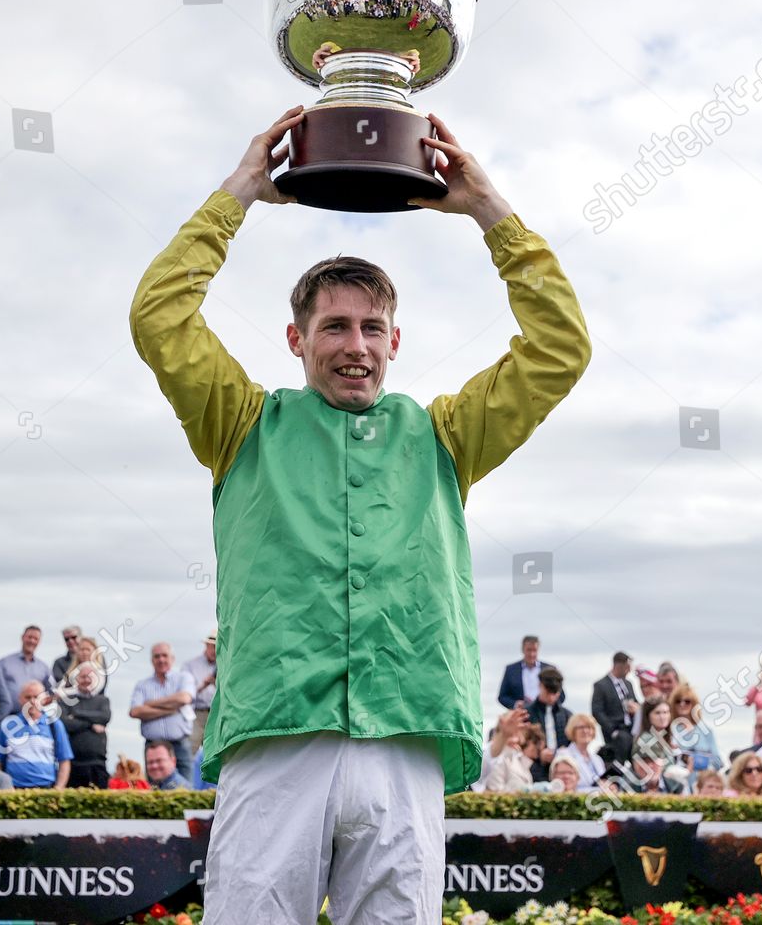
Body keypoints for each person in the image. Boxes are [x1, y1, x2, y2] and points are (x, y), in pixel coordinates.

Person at [130, 106, 590, 924]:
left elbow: (560, 346)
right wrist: (238, 193)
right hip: (278, 739)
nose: (356, 344)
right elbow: (159, 318)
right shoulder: (240, 423)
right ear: (296, 339)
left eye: (372, 327)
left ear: (396, 340)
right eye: (334, 326)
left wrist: (490, 211)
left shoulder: (445, 434)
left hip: (405, 739)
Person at [128, 642, 197, 780]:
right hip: (152, 746)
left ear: (172, 658)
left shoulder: (184, 678)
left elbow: (184, 698)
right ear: (152, 660)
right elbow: (135, 712)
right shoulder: (142, 685)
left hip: (180, 745)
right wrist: (171, 709)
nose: (161, 660)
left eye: (164, 655)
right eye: (157, 656)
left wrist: (150, 704)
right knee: (156, 791)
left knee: (187, 788)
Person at [0, 681, 72, 789]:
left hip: (46, 789)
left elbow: (64, 760)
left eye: (36, 697)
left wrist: (59, 788)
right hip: (14, 790)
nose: (32, 701)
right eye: (28, 697)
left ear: (45, 699)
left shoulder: (55, 725)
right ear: (20, 699)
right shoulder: (8, 725)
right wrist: (3, 788)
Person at [60, 664, 112, 787]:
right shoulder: (67, 700)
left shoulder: (103, 700)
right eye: (83, 677)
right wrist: (91, 724)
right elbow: (66, 724)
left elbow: (105, 717)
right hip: (73, 763)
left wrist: (76, 713)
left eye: (90, 677)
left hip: (97, 763)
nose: (87, 680)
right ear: (76, 679)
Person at [632, 698, 690, 793]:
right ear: (648, 716)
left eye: (666, 712)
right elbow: (656, 770)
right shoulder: (646, 739)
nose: (663, 717)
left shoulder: (666, 738)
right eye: (657, 713)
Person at [526, 668, 572, 781]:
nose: (551, 697)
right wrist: (539, 754)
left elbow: (571, 743)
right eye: (548, 693)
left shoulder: (567, 715)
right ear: (540, 686)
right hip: (533, 769)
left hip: (562, 771)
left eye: (555, 693)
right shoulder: (526, 714)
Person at [669, 682, 721, 775]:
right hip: (677, 781)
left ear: (694, 704)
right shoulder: (669, 730)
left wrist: (696, 761)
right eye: (678, 701)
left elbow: (717, 761)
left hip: (701, 780)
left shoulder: (706, 731)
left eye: (687, 701)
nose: (682, 704)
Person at [499, 636, 563, 709]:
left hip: (544, 714)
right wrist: (515, 704)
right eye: (529, 650)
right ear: (523, 650)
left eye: (534, 650)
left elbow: (561, 695)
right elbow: (502, 696)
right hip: (521, 715)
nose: (532, 654)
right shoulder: (511, 670)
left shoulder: (550, 670)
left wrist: (549, 703)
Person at [591, 651, 638, 745]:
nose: (629, 670)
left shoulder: (628, 684)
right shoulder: (601, 685)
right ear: (618, 665)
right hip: (615, 733)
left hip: (632, 731)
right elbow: (597, 711)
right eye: (627, 667)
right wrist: (613, 731)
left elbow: (636, 702)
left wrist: (636, 708)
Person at [482, 708, 534, 792]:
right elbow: (496, 793)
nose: (515, 739)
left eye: (517, 732)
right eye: (511, 735)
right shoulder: (493, 757)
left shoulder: (518, 757)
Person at [182, 631, 217, 752]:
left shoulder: (224, 666)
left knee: (214, 752)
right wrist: (204, 684)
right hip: (196, 714)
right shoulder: (190, 665)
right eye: (212, 646)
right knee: (191, 749)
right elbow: (185, 694)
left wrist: (216, 683)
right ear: (206, 645)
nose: (215, 650)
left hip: (216, 715)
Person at [0, 626, 52, 700]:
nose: (32, 641)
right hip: (10, 711)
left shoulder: (44, 668)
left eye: (35, 638)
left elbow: (51, 691)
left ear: (39, 641)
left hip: (34, 711)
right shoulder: (4, 663)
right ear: (22, 637)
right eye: (29, 637)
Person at [555, 713, 605, 789]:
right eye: (581, 727)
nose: (585, 731)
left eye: (589, 727)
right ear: (572, 731)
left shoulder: (598, 759)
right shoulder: (563, 755)